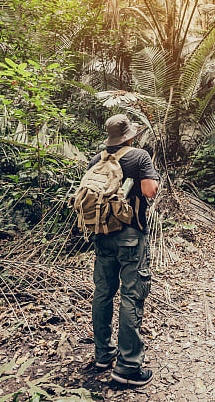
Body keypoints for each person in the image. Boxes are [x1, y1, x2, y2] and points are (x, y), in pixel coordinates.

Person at [88, 113, 159, 386]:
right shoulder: (139, 156)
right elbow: (150, 191)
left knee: (103, 293)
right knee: (131, 296)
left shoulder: (98, 159)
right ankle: (128, 367)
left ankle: (103, 355)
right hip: (130, 237)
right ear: (130, 135)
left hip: (102, 235)